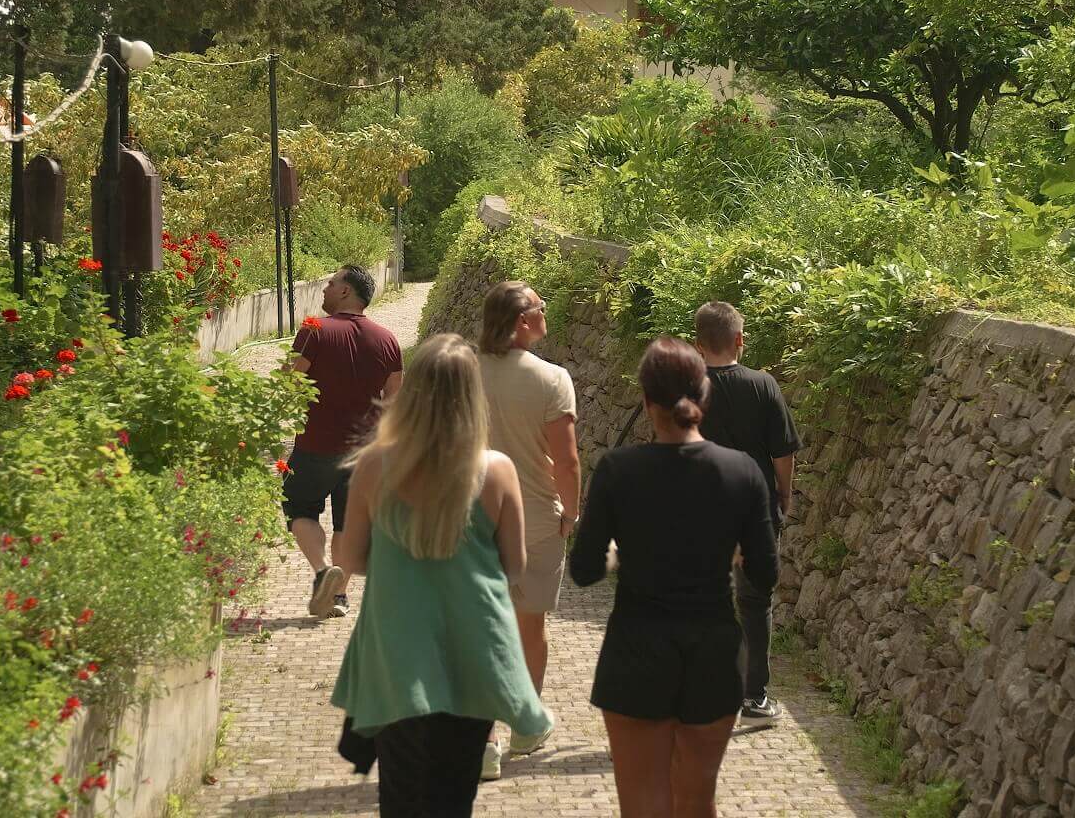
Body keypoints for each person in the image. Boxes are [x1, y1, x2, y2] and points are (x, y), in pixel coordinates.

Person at [331, 333, 553, 817]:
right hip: (472, 654)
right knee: (455, 797)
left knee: (401, 794)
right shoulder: (496, 470)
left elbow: (352, 558)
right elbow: (515, 566)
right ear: (473, 396)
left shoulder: (374, 465)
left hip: (397, 655)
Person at [569, 337, 777, 818]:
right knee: (697, 801)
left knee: (643, 805)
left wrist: (616, 556)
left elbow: (583, 570)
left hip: (636, 652)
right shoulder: (742, 472)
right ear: (705, 396)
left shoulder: (618, 470)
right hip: (713, 655)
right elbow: (765, 574)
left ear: (646, 401)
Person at [473, 280, 578, 779]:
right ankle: (524, 726)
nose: (544, 311)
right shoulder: (553, 379)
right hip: (535, 520)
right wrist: (571, 513)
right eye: (539, 306)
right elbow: (568, 462)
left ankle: (483, 744)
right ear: (521, 321)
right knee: (529, 628)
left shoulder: (463, 372)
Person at [693, 301, 801, 722]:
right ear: (739, 339)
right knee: (755, 603)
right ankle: (754, 697)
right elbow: (782, 451)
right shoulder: (763, 385)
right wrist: (784, 494)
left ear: (698, 345)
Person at [283, 263, 402, 619]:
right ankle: (338, 597)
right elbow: (394, 401)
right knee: (348, 525)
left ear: (346, 291)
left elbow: (290, 381)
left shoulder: (314, 330)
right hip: (364, 453)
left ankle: (323, 571)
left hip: (315, 445)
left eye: (331, 283)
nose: (325, 288)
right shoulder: (388, 339)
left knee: (300, 510)